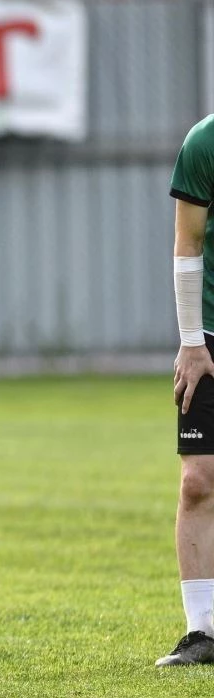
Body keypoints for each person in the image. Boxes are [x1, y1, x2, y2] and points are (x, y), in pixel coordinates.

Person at [156, 114, 214, 666]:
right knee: (198, 481)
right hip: (211, 337)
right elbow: (188, 241)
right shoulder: (205, 141)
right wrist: (192, 341)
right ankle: (202, 632)